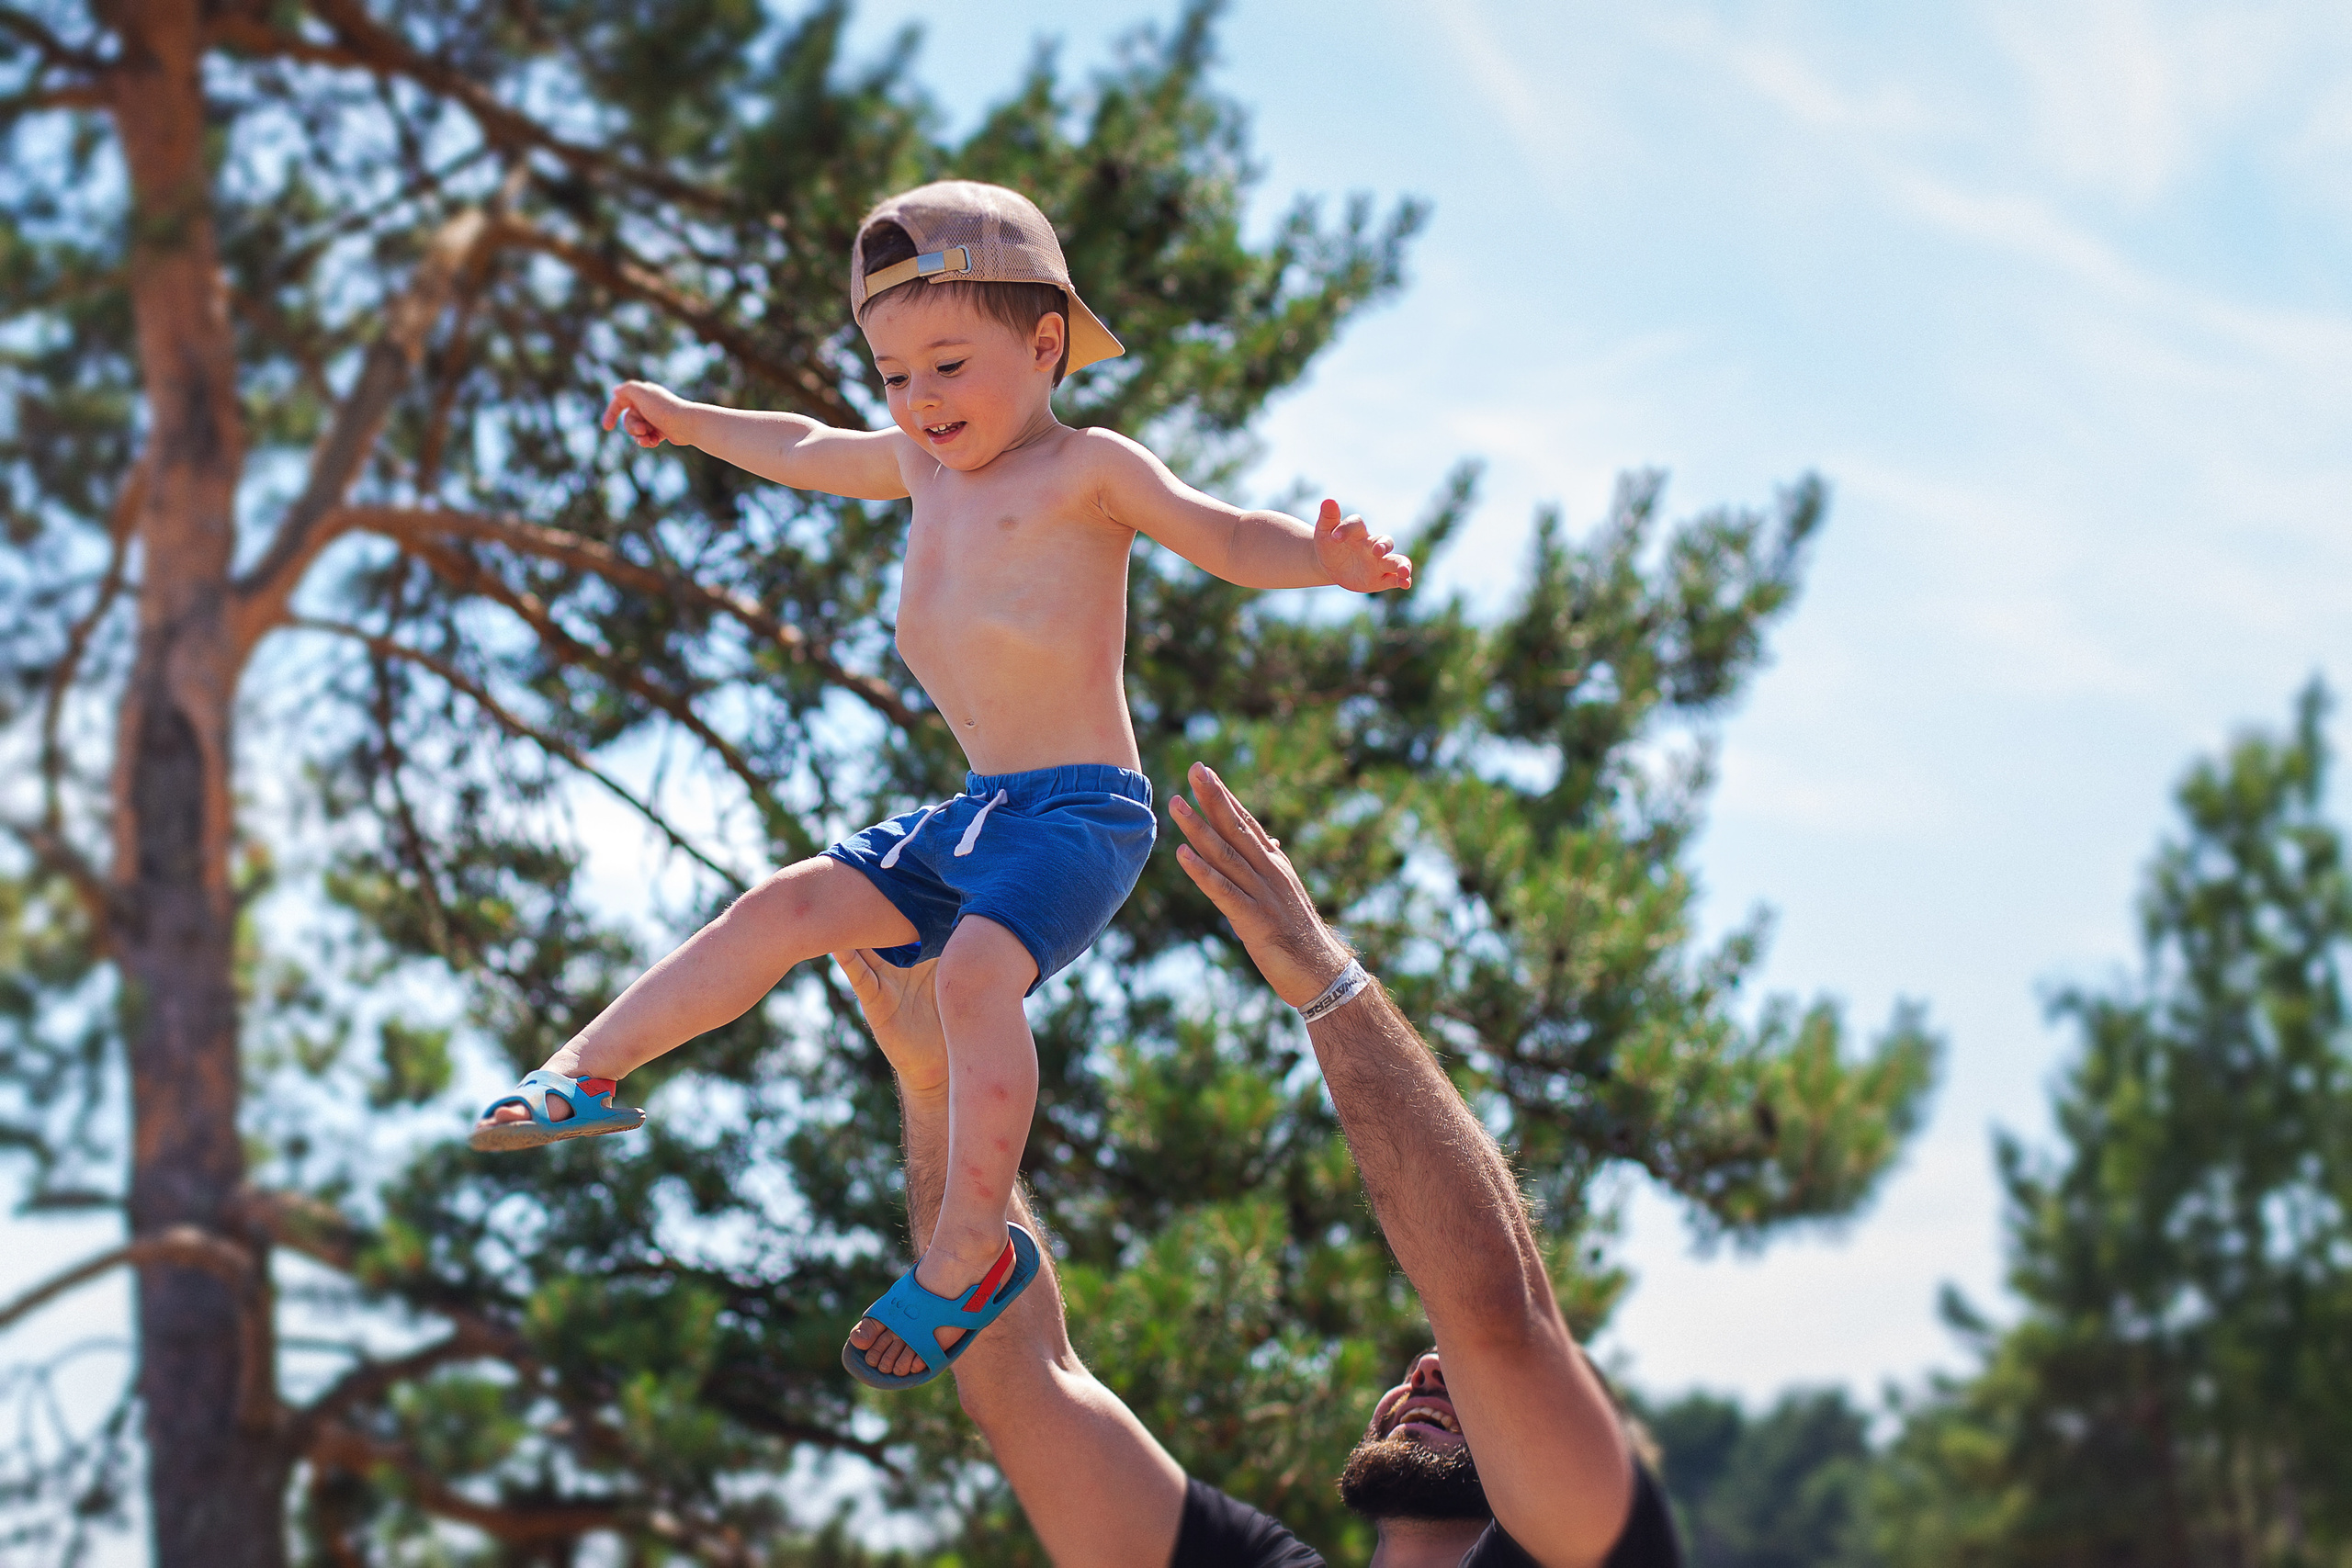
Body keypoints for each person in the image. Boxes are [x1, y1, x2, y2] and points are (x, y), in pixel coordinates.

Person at [468, 180, 1413, 1390]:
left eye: (951, 366)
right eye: (894, 374)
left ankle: (971, 1250)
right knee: (787, 905)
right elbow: (803, 448)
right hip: (978, 813)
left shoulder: (1087, 467)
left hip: (1079, 812)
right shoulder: (923, 469)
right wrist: (689, 419)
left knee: (972, 977)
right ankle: (583, 1072)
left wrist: (1321, 560)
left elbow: (1224, 534)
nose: (921, 400)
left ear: (1046, 344)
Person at [838, 761, 1682, 1566]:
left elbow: (1497, 1317)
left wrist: (1324, 976)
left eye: (1450, 1373)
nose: (1426, 1366)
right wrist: (939, 1085)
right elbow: (1027, 1384)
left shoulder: (1593, 1547)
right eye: (1429, 1368)